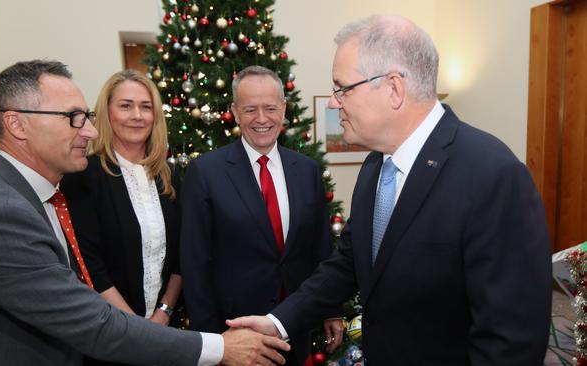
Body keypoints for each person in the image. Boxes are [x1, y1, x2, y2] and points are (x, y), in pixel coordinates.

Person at [227, 15, 552, 365]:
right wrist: (278, 323)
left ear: (394, 88)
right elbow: (351, 263)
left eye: (342, 88)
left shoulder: (493, 176)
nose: (334, 103)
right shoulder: (375, 166)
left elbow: (511, 342)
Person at [0, 59, 290, 366]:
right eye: (73, 117)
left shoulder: (30, 196)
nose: (89, 130)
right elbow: (93, 321)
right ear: (17, 124)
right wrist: (220, 347)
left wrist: (165, 312)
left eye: (87, 117)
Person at [180, 65, 344, 365]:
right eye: (250, 109)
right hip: (235, 334)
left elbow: (321, 248)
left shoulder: (307, 171)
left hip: (296, 328)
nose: (261, 119)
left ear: (283, 108)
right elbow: (195, 264)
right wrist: (215, 344)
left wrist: (330, 309)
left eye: (270, 107)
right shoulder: (205, 172)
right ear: (235, 111)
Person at [60, 69, 183, 366]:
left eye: (145, 106)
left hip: (166, 329)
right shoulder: (84, 176)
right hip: (108, 334)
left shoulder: (172, 177)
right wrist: (137, 329)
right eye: (125, 106)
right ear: (107, 113)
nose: (137, 115)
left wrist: (164, 312)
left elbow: (182, 255)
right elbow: (89, 265)